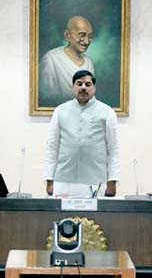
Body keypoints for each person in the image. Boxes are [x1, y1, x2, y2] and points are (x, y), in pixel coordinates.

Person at [44, 70, 120, 198]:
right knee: (61, 213)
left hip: (96, 183)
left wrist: (112, 180)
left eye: (88, 84)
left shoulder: (107, 112)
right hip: (63, 182)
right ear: (72, 87)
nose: (83, 87)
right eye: (79, 84)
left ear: (94, 88)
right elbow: (52, 147)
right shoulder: (60, 111)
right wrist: (49, 179)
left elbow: (113, 149)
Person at [39, 15, 95, 106]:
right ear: (67, 35)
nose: (86, 41)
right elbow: (47, 98)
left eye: (90, 36)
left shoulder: (89, 62)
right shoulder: (51, 59)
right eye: (82, 35)